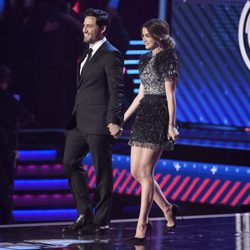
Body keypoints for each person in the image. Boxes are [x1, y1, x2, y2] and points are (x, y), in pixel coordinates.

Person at [62, 8, 124, 235]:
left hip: (100, 122)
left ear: (102, 29)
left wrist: (114, 120)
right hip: (79, 121)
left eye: (89, 26)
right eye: (84, 25)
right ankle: (84, 212)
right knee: (69, 161)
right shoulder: (87, 53)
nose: (84, 29)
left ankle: (102, 220)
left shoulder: (111, 54)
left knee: (102, 173)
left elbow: (117, 90)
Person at [123, 19, 180, 243]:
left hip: (159, 114)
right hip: (144, 114)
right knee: (135, 172)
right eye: (143, 35)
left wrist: (171, 125)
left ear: (158, 36)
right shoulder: (145, 58)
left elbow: (170, 96)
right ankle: (167, 209)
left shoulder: (169, 57)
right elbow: (140, 94)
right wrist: (123, 118)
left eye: (147, 35)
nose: (144, 39)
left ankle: (142, 224)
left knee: (146, 173)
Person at [0, 65, 33, 224]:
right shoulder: (10, 99)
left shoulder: (9, 99)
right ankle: (6, 219)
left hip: (6, 146)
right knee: (5, 185)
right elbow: (28, 117)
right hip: (6, 146)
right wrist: (15, 127)